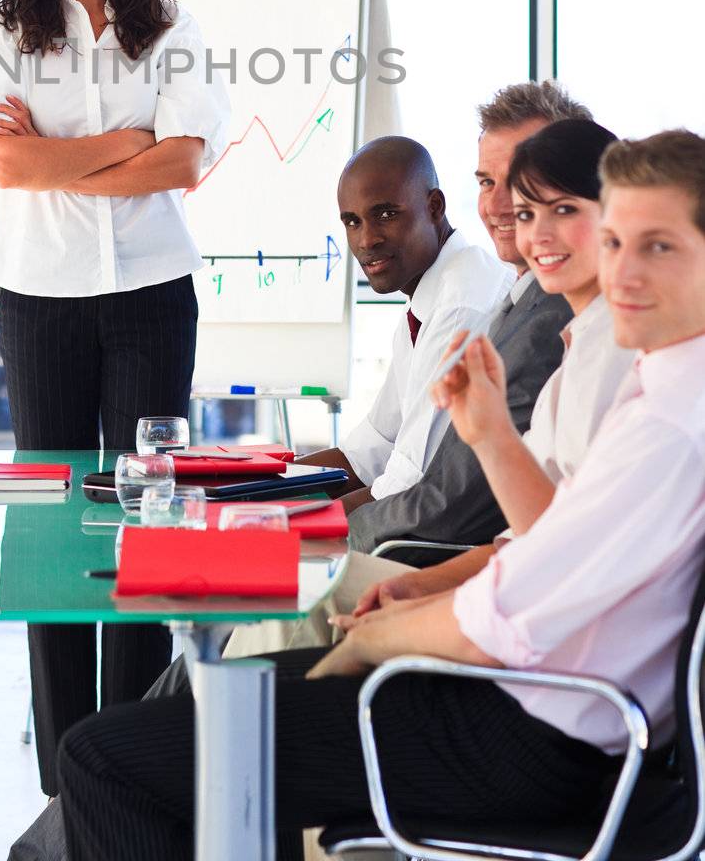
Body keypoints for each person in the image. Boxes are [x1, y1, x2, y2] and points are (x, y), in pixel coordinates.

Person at [56, 129, 705, 861]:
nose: (621, 274)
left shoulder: (664, 421)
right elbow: (545, 545)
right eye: (615, 243)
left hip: (533, 733)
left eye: (658, 248)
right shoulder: (660, 383)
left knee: (103, 759)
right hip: (538, 708)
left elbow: (504, 622)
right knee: (220, 701)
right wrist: (487, 440)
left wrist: (374, 641)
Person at [0, 0, 229, 797]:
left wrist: (70, 156)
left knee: (145, 511)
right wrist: (126, 146)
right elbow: (7, 168)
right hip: (39, 295)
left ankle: (131, 755)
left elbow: (185, 164)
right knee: (49, 522)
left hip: (152, 292)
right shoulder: (2, 28)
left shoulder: (170, 25)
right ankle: (66, 769)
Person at [352, 113, 633, 615]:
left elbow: (558, 571)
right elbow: (530, 540)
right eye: (524, 209)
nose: (532, 229)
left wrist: (412, 620)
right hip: (488, 594)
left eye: (562, 207)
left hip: (529, 647)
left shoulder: (605, 359)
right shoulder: (569, 341)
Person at [297, 134, 512, 512]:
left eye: (386, 214)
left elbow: (408, 481)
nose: (367, 240)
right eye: (352, 221)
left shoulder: (462, 304)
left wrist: (279, 523)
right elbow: (369, 451)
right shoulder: (426, 301)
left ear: (434, 207)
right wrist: (254, 487)